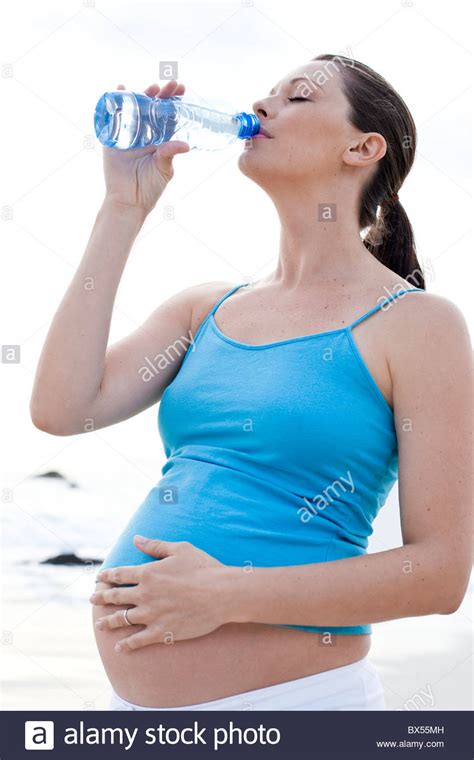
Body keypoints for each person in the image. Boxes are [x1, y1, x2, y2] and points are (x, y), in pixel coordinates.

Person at [30, 55, 472, 711]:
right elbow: (63, 409)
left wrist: (225, 596)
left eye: (296, 97)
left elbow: (438, 575)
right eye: (264, 93)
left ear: (363, 147)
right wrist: (122, 207)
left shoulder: (416, 326)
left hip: (302, 710)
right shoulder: (203, 310)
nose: (262, 106)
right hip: (140, 720)